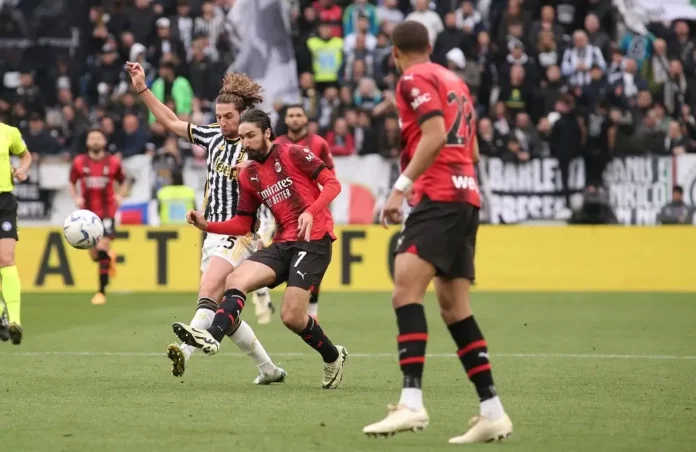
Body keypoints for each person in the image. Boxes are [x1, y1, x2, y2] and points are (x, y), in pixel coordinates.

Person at [362, 21, 513, 443]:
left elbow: (435, 134)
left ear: (395, 53)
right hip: (467, 198)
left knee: (404, 292)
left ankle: (411, 404)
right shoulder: (456, 81)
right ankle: (492, 411)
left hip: (439, 197)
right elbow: (473, 148)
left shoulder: (412, 78)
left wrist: (399, 188)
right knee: (454, 308)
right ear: (429, 46)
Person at [125, 62, 285, 384]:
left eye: (229, 117)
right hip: (211, 231)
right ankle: (269, 369)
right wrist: (142, 88)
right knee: (223, 306)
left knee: (208, 291)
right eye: (219, 115)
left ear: (243, 116)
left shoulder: (254, 145)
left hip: (241, 231)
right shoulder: (211, 135)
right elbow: (170, 122)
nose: (223, 122)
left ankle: (185, 351)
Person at [175, 109, 348, 389]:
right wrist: (208, 225)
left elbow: (332, 183)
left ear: (268, 132)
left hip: (314, 239)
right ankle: (212, 337)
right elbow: (244, 223)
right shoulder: (250, 174)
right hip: (283, 242)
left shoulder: (292, 153)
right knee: (235, 278)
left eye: (251, 136)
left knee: (291, 317)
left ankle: (333, 356)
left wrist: (312, 211)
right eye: (242, 138)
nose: (245, 143)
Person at [266, 104, 335, 323]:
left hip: (313, 211)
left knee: (312, 260)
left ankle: (312, 310)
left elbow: (330, 176)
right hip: (283, 213)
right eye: (291, 115)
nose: (295, 119)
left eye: (299, 115)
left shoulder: (319, 144)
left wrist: (323, 207)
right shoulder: (276, 145)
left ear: (306, 119)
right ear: (285, 120)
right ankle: (273, 300)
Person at [69, 129, 129, 306]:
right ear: (87, 142)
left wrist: (120, 196)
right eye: (91, 138)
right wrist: (76, 197)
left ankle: (101, 292)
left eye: (98, 138)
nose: (95, 141)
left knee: (102, 248)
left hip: (107, 212)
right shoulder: (79, 162)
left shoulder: (113, 162)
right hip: (86, 214)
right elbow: (71, 181)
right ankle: (108, 257)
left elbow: (123, 180)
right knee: (95, 255)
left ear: (104, 142)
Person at [0, 122, 31, 345]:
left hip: (4, 202)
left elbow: (25, 155)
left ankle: (14, 321)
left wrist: (22, 169)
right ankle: (1, 313)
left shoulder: (8, 132)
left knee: (6, 259)